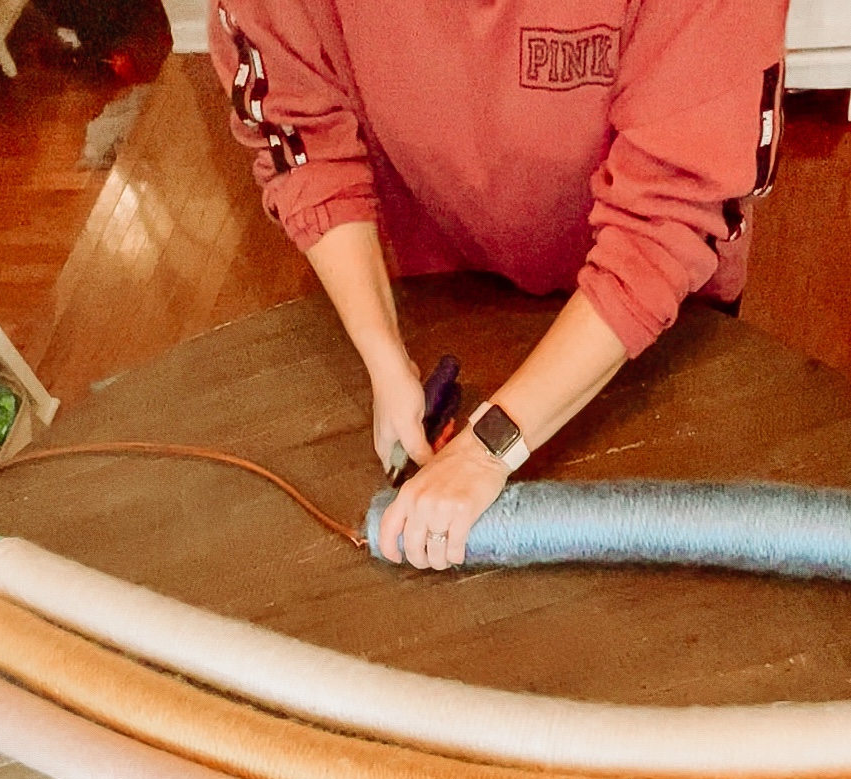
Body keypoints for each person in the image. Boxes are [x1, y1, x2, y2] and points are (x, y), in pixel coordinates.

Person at [208, 0, 789, 570]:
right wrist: (384, 357)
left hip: (657, 325)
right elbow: (303, 138)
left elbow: (666, 219)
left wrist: (489, 447)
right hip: (445, 283)